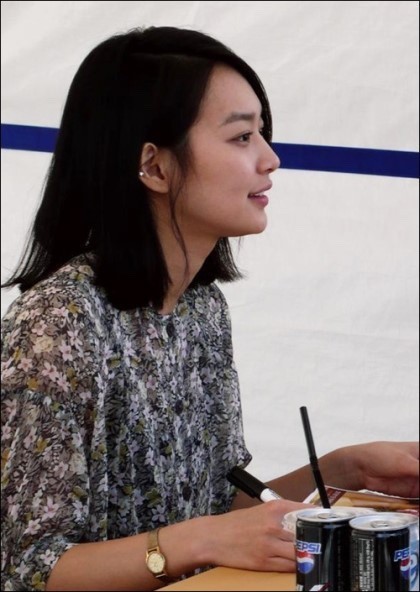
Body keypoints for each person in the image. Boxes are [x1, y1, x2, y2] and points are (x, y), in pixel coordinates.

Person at [1, 25, 418, 592]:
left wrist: (347, 468)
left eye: (262, 133)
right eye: (242, 137)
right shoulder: (58, 324)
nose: (270, 159)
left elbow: (224, 507)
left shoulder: (202, 309)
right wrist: (197, 541)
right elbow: (28, 569)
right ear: (155, 167)